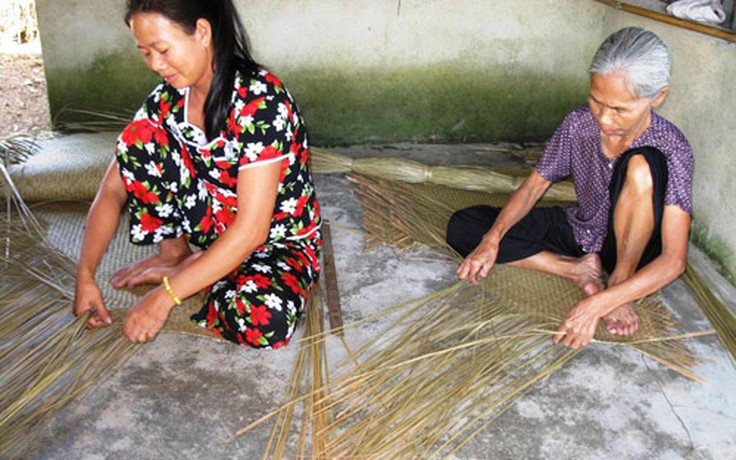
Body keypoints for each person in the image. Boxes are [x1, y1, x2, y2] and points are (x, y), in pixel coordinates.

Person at [73, 0, 322, 349]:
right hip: (214, 227)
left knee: (266, 320)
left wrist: (167, 296)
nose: (156, 65)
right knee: (139, 138)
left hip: (275, 242)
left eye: (162, 49)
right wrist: (84, 276)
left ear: (202, 33)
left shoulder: (261, 100)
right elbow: (113, 190)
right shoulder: (169, 99)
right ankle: (181, 257)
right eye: (145, 53)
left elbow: (252, 230)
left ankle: (197, 268)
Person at [446, 27, 693, 349]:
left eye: (619, 109)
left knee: (642, 164)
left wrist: (599, 304)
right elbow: (535, 186)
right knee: (466, 227)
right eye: (596, 101)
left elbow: (674, 260)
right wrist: (492, 240)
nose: (604, 118)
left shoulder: (672, 147)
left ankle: (619, 281)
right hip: (582, 232)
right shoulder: (579, 124)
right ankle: (576, 268)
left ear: (657, 97)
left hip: (635, 248)